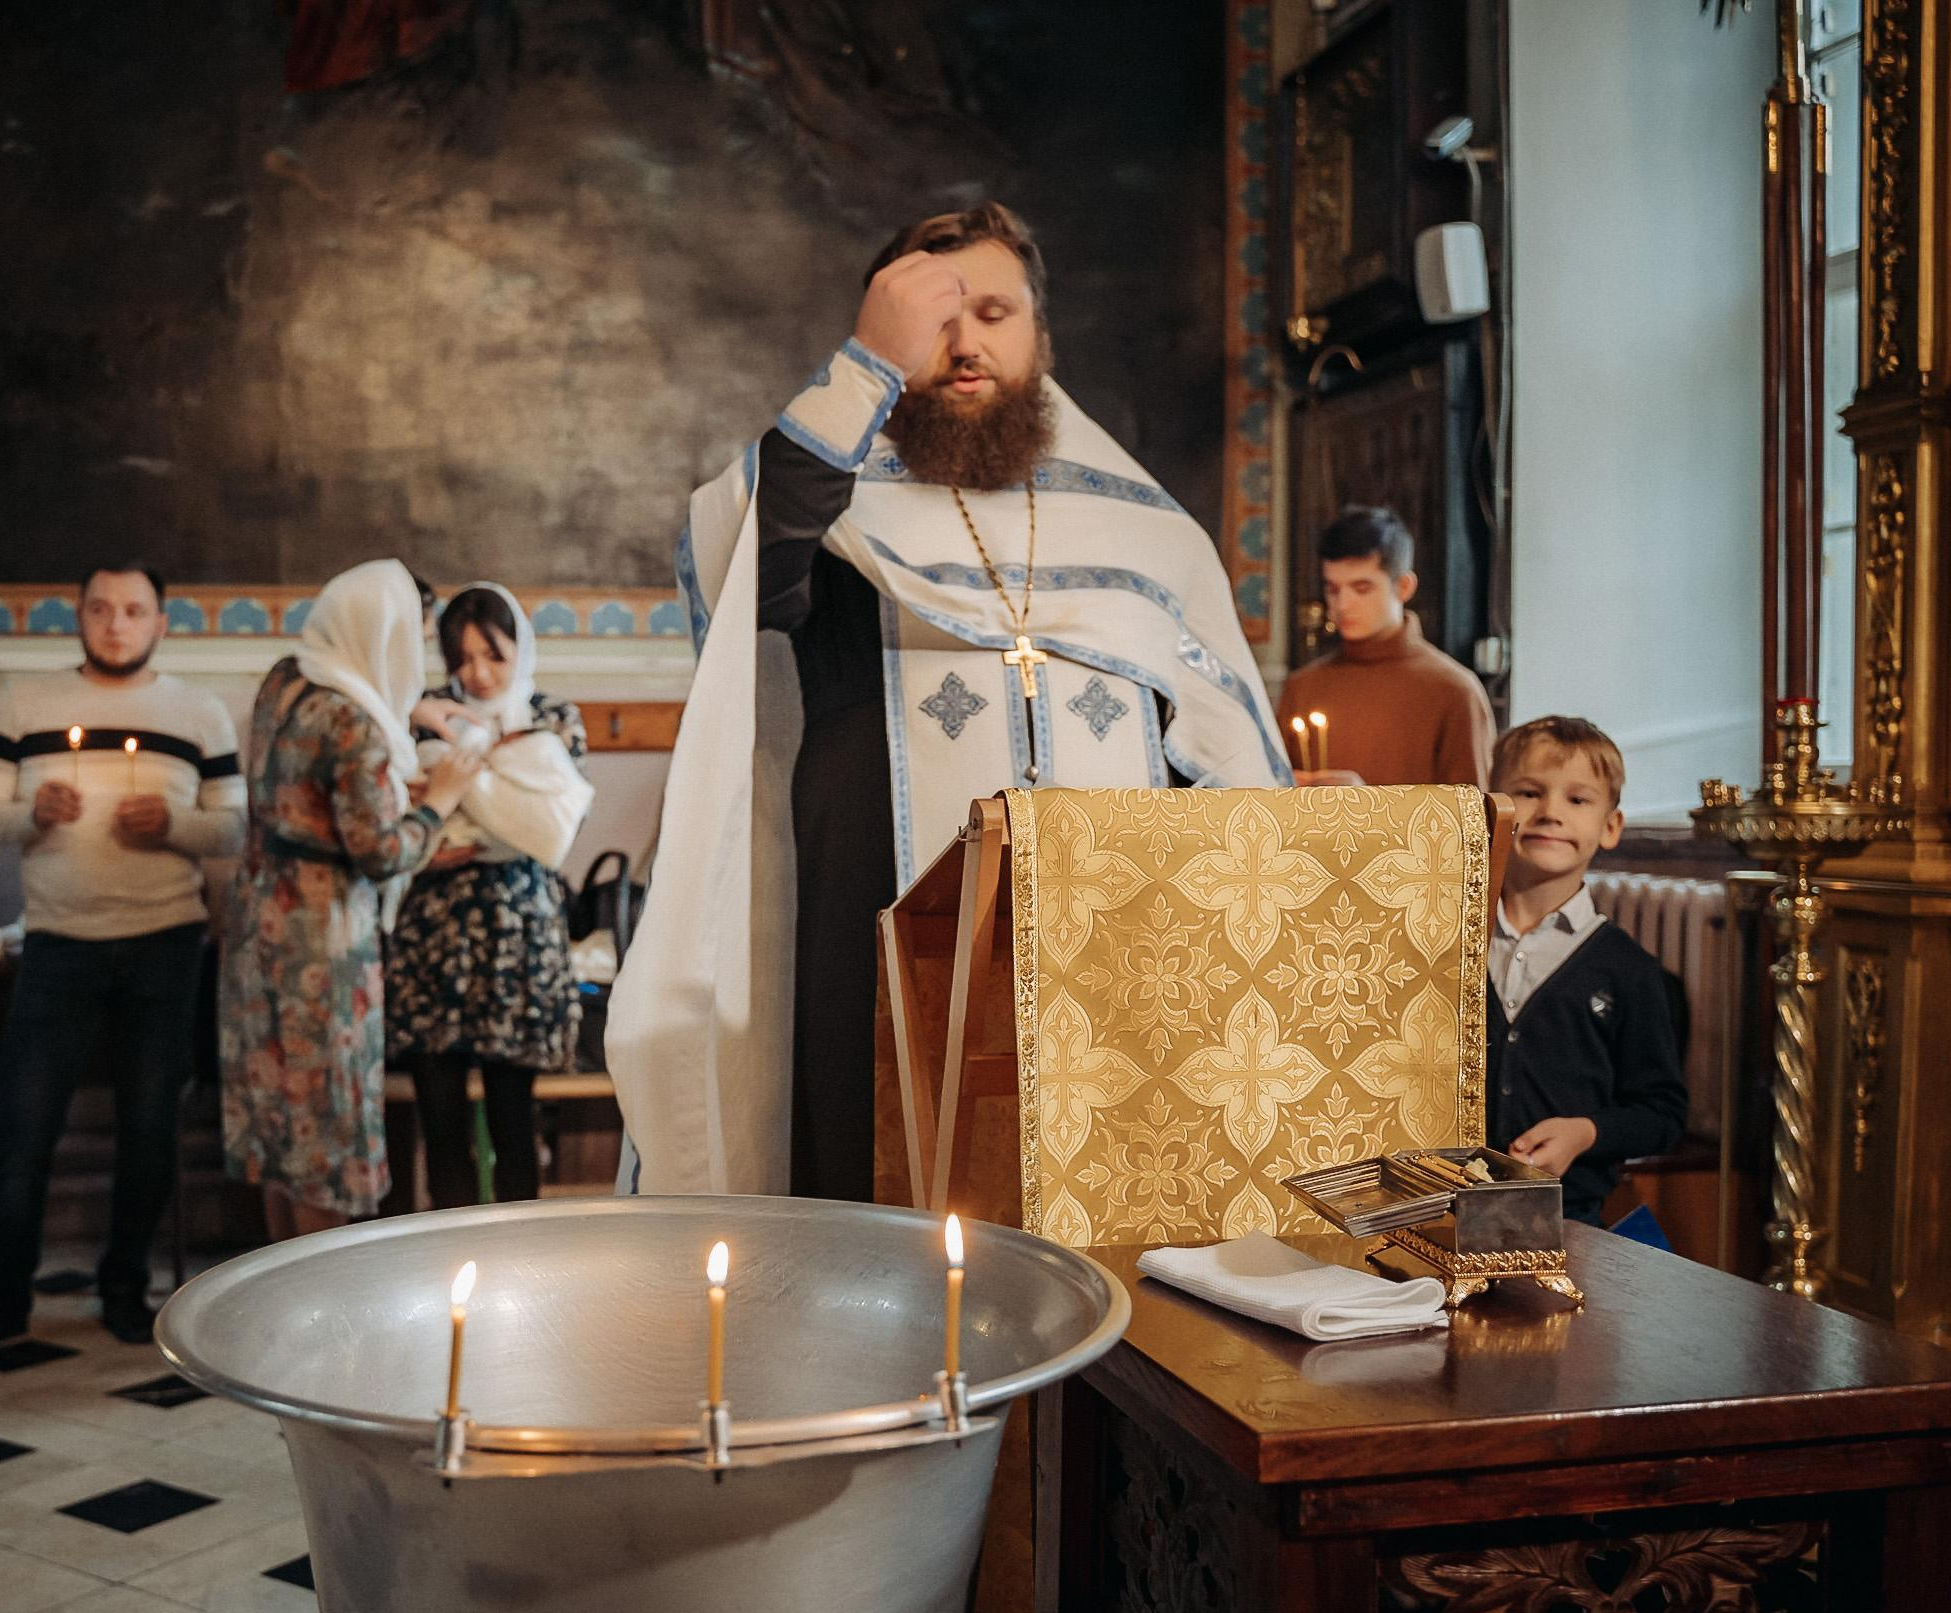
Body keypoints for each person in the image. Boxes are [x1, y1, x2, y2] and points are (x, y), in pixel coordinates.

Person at [609, 201, 1287, 1201]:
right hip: (878, 960)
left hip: (1116, 970)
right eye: (931, 319)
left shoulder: (1146, 535)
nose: (964, 345)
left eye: (994, 313)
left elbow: (1224, 758)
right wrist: (862, 370)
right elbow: (749, 573)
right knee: (878, 1229)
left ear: (1040, 338)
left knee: (1112, 1235)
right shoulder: (829, 508)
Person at [0, 564, 247, 1359]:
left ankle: (124, 1287)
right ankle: (2, 1297)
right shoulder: (25, 705)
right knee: (24, 1126)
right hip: (59, 940)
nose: (115, 623)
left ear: (160, 623)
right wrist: (27, 812)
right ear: (77, 614)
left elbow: (235, 827)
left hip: (165, 941)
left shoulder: (198, 712)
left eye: (133, 610)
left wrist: (175, 823)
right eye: (100, 608)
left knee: (149, 1125)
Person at [218, 559, 480, 1241]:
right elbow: (380, 852)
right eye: (411, 639)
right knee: (322, 1129)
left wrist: (410, 709)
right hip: (320, 943)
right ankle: (320, 1318)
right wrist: (441, 799)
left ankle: (276, 1296)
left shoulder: (286, 678)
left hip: (256, 925)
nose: (415, 656)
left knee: (281, 1127)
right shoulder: (354, 726)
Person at [387, 584, 590, 1210]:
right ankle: (449, 1271)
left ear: (519, 649)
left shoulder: (553, 716)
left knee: (513, 1119)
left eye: (493, 656)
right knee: (441, 1121)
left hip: (517, 935)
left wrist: (458, 798)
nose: (476, 673)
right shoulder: (418, 713)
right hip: (436, 936)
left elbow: (552, 824)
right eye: (463, 658)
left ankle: (518, 1265)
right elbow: (397, 805)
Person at [1484, 716, 1686, 1226]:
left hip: (1566, 1221)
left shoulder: (1629, 972)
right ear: (1494, 811)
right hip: (1436, 1212)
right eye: (1529, 793)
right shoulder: (1453, 945)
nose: (1551, 813)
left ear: (1611, 826)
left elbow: (1661, 1112)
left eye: (1577, 800)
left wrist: (1585, 1132)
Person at [1276, 505, 1494, 787]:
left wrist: (1368, 808)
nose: (1342, 605)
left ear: (1403, 587)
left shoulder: (1454, 691)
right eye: (1332, 589)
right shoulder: (1303, 687)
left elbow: (1471, 820)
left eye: (1362, 588)